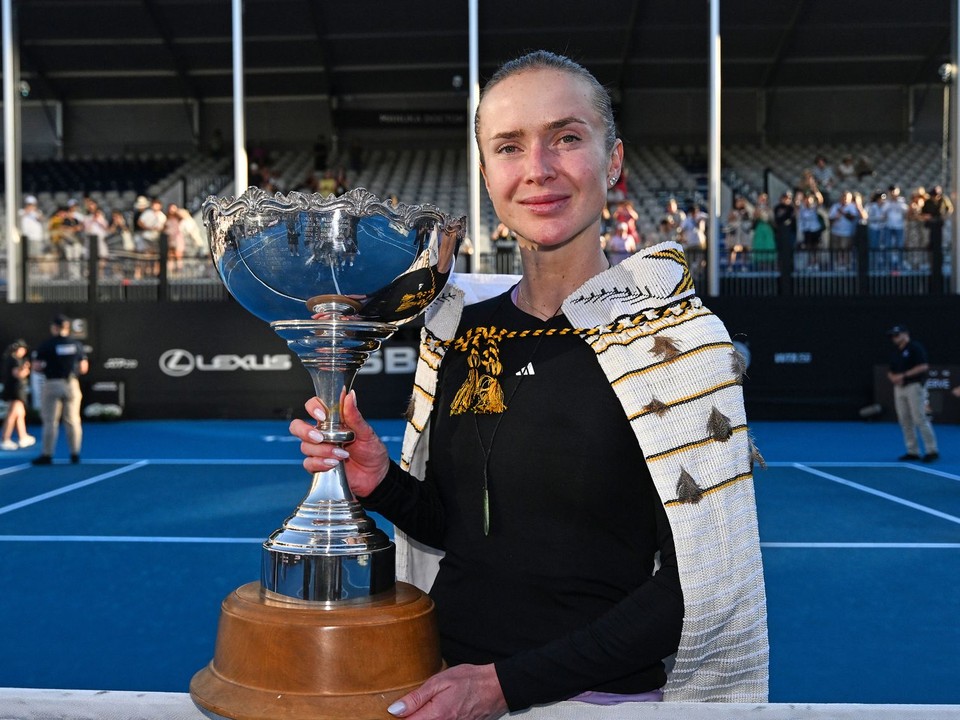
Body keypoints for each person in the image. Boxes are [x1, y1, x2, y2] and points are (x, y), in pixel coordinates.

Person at [289, 51, 768, 720]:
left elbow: (697, 588)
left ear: (615, 161)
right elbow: (464, 531)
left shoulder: (681, 345)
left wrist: (505, 685)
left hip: (598, 703)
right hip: (439, 684)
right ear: (486, 174)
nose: (538, 168)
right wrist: (383, 483)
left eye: (567, 137)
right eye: (509, 147)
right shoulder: (458, 328)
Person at [31, 314, 89, 465]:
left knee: (50, 421)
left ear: (55, 328)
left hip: (52, 383)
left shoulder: (47, 345)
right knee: (73, 420)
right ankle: (75, 453)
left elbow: (36, 367)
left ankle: (47, 454)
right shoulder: (76, 344)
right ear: (67, 328)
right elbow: (83, 368)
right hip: (71, 384)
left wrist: (47, 369)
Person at [886, 324, 938, 462]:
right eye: (893, 336)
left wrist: (904, 375)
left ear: (905, 334)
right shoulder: (896, 351)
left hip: (914, 386)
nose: (894, 338)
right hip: (899, 388)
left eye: (897, 335)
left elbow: (923, 366)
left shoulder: (915, 348)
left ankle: (931, 450)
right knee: (904, 419)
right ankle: (912, 450)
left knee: (919, 418)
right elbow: (890, 370)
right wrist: (893, 378)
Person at [1, 340, 34, 451]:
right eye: (23, 349)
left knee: (20, 414)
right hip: (15, 391)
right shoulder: (14, 360)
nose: (24, 351)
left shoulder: (11, 359)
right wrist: (26, 369)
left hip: (15, 390)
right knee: (12, 414)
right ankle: (5, 439)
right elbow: (18, 374)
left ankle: (23, 437)